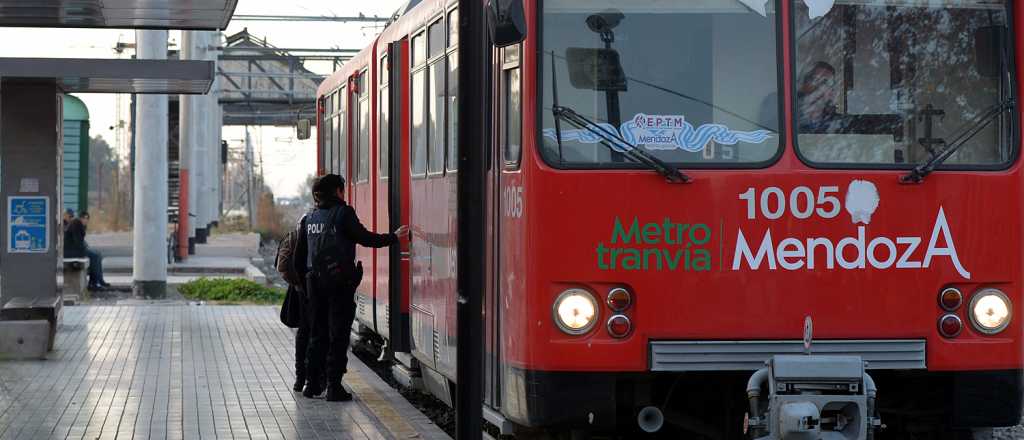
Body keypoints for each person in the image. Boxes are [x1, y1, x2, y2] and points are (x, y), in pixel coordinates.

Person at [293, 174, 410, 401]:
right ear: (337, 191)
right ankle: (334, 386)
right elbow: (364, 238)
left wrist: (306, 288)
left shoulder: (309, 218)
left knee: (317, 334)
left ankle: (311, 384)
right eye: (342, 189)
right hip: (339, 285)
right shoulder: (343, 213)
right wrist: (393, 238)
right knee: (338, 335)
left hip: (313, 284)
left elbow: (299, 258)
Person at [65, 211, 110, 290]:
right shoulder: (76, 223)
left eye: (87, 218)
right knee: (95, 256)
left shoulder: (80, 224)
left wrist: (85, 247)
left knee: (98, 255)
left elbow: (80, 241)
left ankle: (98, 281)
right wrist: (85, 249)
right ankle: (95, 283)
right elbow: (77, 241)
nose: (85, 220)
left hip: (75, 249)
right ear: (80, 218)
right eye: (84, 218)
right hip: (70, 251)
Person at [796, 61, 840, 132]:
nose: (821, 88)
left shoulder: (836, 123)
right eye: (816, 80)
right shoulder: (789, 113)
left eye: (826, 82)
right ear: (805, 84)